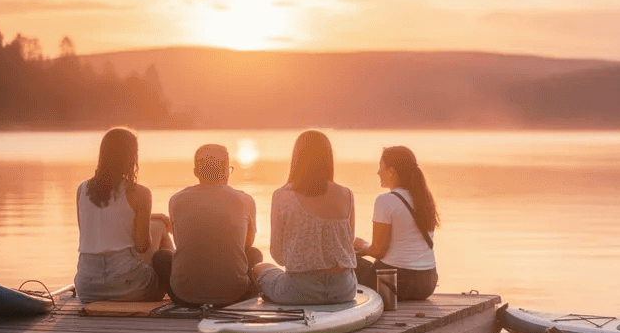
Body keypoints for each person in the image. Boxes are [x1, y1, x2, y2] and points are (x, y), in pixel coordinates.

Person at [252, 130, 357, 304]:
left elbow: (278, 256)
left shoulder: (282, 195)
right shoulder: (347, 194)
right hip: (344, 289)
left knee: (260, 267)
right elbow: (349, 241)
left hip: (300, 291)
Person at [153, 144, 261, 307]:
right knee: (254, 254)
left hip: (184, 297)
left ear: (196, 172)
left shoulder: (177, 200)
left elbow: (181, 243)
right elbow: (247, 245)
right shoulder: (245, 200)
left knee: (161, 257)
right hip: (236, 296)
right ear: (226, 170)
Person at [74, 127, 173, 302]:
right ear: (131, 157)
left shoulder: (82, 189)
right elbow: (142, 246)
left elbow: (93, 230)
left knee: (156, 223)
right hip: (129, 287)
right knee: (160, 229)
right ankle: (179, 283)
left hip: (87, 289)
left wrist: (152, 216)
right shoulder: (140, 193)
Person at [353, 146, 439, 300]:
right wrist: (367, 245)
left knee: (347, 262)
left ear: (391, 170)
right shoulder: (424, 199)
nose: (378, 172)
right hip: (427, 283)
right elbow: (401, 244)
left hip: (396, 283)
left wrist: (362, 247)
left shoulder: (385, 201)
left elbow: (379, 251)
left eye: (381, 167)